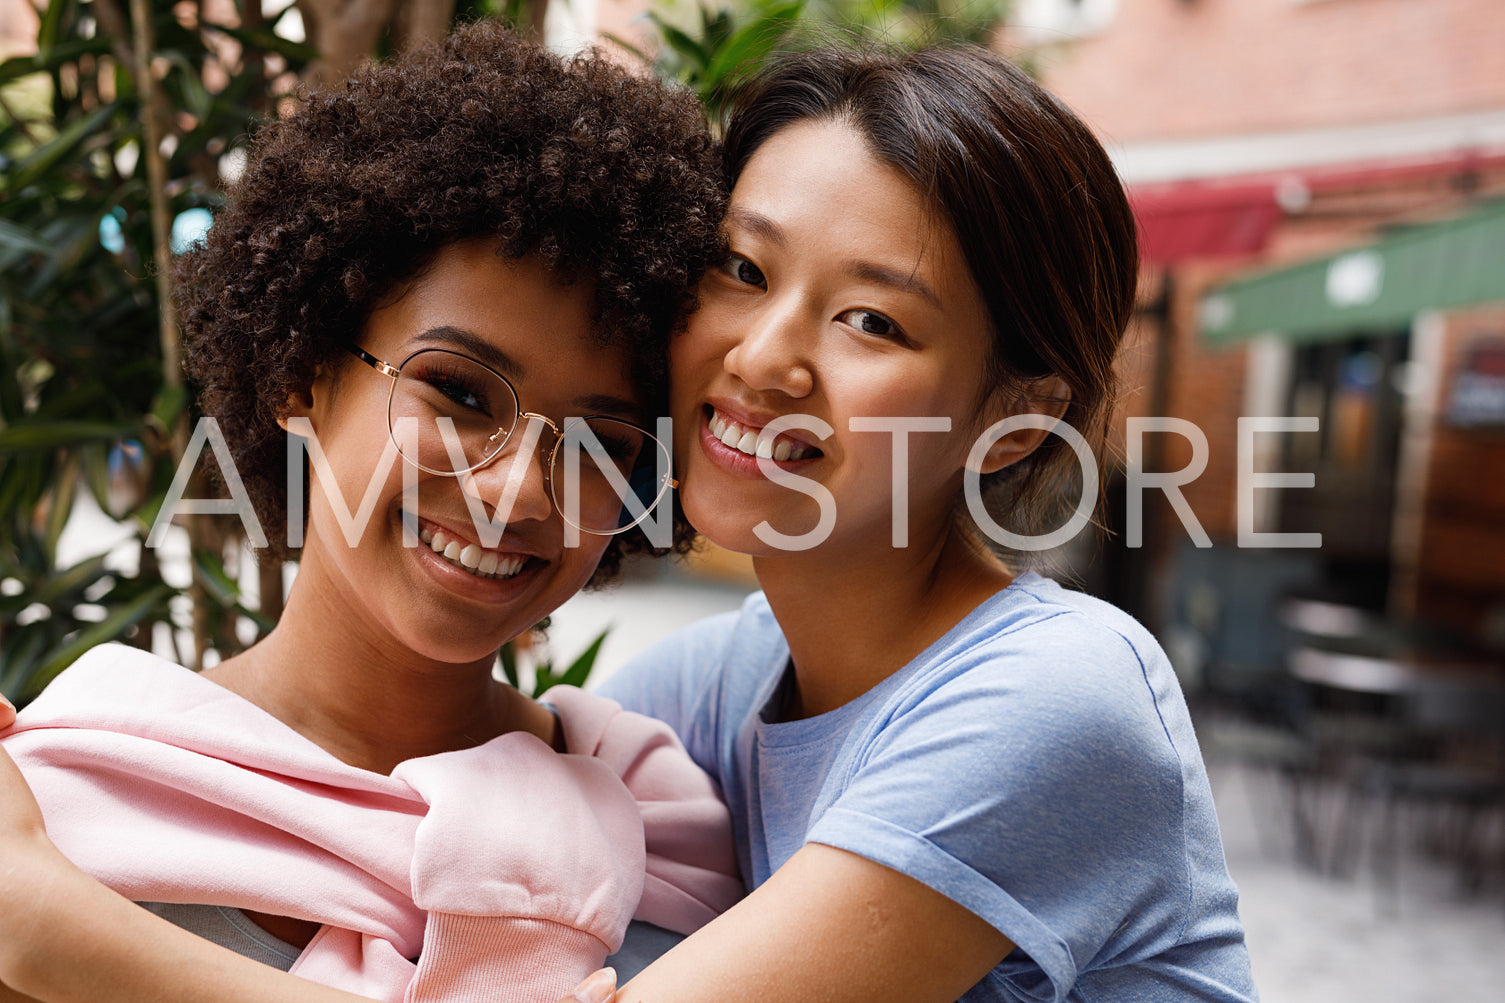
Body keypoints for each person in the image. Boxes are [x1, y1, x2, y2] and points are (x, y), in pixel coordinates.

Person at [0, 38, 1258, 1003]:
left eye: (871, 319)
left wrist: (45, 926)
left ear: (1020, 416)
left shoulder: (1053, 695)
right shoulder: (697, 708)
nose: (764, 358)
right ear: (299, 372)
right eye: (744, 271)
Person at [0, 20, 741, 1003]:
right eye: (460, 393)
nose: (516, 490)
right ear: (305, 371)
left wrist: (58, 937)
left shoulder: (660, 825)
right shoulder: (70, 804)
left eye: (601, 443)